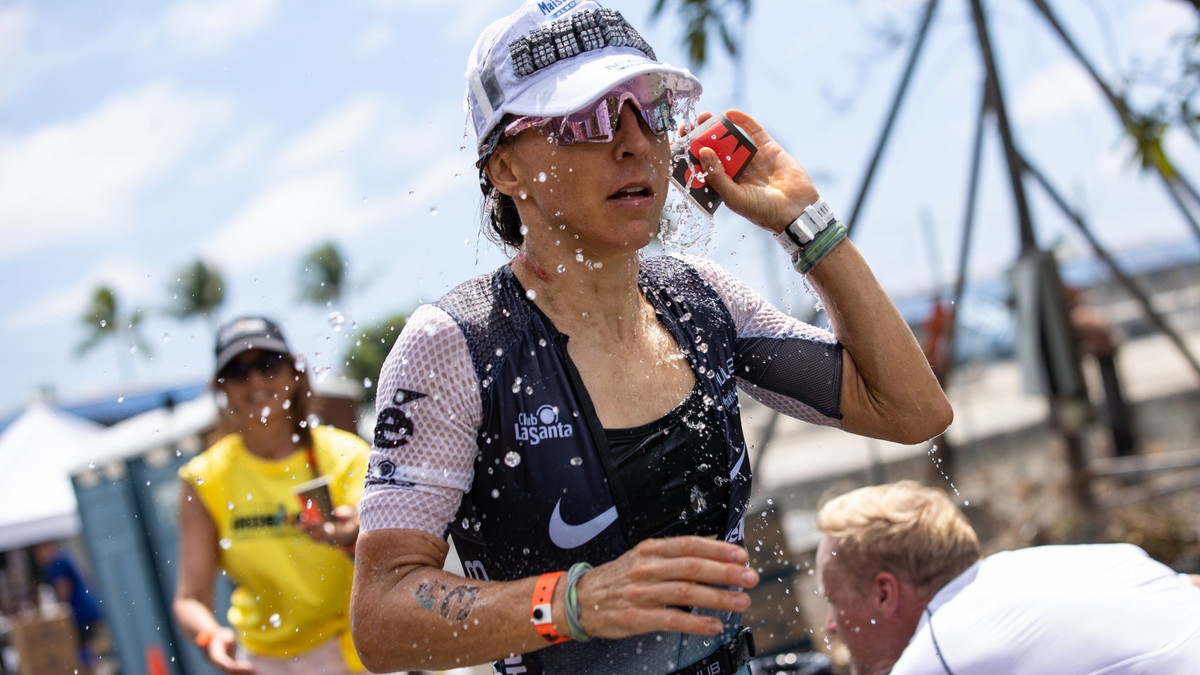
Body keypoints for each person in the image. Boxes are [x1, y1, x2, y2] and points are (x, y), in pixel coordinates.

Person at [350, 2, 952, 674]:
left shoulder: (700, 300)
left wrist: (802, 221)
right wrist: (572, 601)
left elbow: (911, 409)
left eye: (651, 108)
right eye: (587, 118)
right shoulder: (459, 345)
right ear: (505, 169)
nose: (633, 142)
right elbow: (380, 614)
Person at [815, 481, 1200, 674]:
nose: (831, 625)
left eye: (834, 599)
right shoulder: (1041, 566)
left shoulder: (936, 656)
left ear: (885, 593)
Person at [173, 317, 370, 675]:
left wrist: (351, 535)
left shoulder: (346, 455)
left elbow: (381, 542)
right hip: (259, 662)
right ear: (222, 387)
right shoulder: (204, 477)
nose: (256, 381)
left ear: (295, 372)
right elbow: (189, 599)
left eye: (268, 365)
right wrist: (209, 637)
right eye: (238, 371)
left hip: (350, 651)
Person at [32, 542, 105, 670]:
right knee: (86, 646)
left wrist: (57, 606)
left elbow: (63, 588)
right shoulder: (64, 557)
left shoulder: (56, 563)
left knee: (80, 646)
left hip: (80, 613)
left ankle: (88, 669)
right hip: (86, 609)